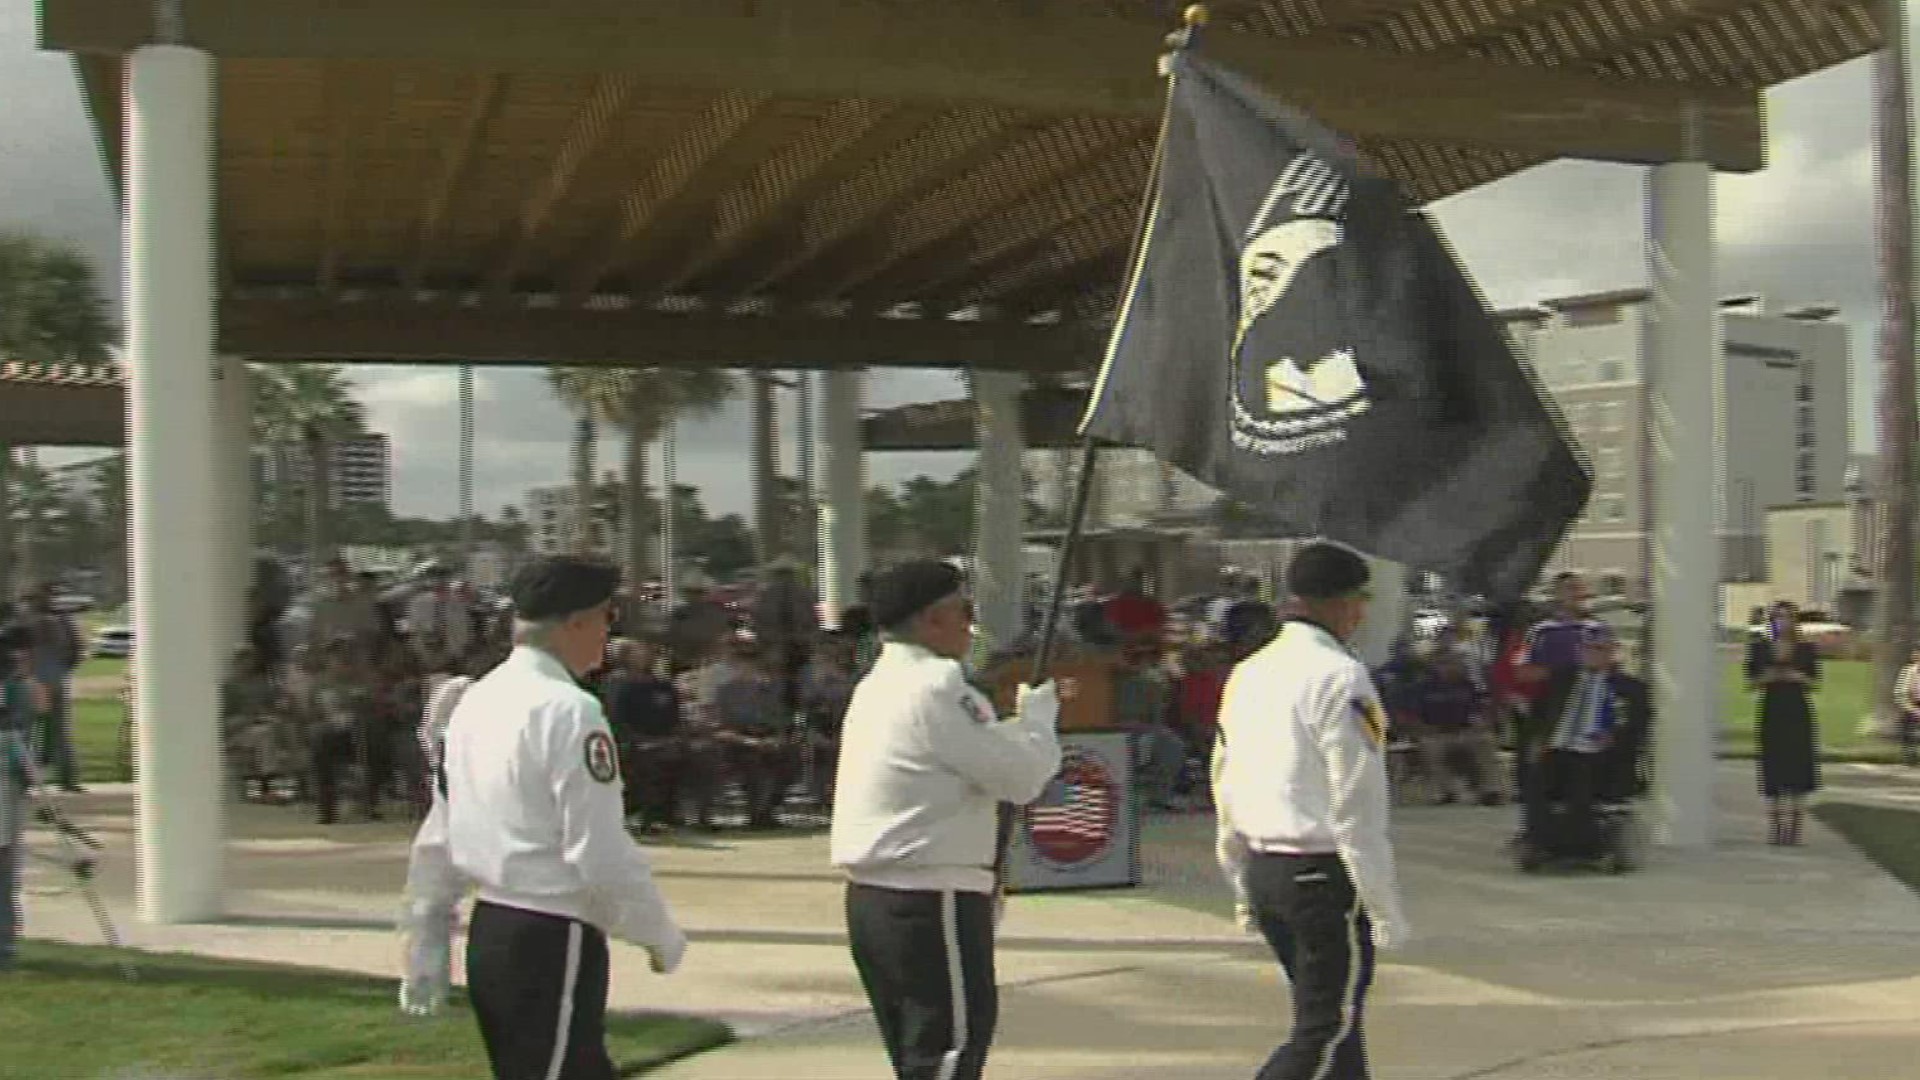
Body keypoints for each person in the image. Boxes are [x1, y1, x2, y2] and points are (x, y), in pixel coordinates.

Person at [399, 555, 686, 1078]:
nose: (607, 636)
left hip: (495, 929)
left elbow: (441, 828)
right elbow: (598, 850)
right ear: (576, 621)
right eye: (605, 620)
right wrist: (657, 931)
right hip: (551, 934)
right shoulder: (570, 711)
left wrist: (427, 932)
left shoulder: (471, 701)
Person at [831, 559, 1062, 1080]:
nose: (971, 625)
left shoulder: (878, 684)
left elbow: (964, 756)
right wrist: (1039, 724)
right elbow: (1021, 779)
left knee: (921, 1060)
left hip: (877, 899)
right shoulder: (938, 685)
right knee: (949, 1056)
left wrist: (1014, 728)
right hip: (930, 900)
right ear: (932, 620)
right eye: (964, 612)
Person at [1212, 541, 1408, 1080]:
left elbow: (1225, 779)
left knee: (1339, 1033)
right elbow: (1356, 801)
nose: (1361, 614)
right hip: (1319, 874)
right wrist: (1381, 902)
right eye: (1358, 601)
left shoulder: (1247, 673)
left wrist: (1237, 874)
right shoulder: (1340, 677)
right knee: (1325, 1033)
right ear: (1341, 603)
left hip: (1265, 867)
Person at [1521, 624, 1649, 865]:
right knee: (1538, 777)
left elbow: (1636, 727)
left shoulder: (1629, 688)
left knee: (1580, 775)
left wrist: (1613, 736)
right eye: (1588, 649)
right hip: (1558, 747)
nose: (1594, 655)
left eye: (1600, 649)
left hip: (1599, 752)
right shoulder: (1561, 680)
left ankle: (1583, 846)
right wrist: (1537, 741)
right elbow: (1538, 716)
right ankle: (1540, 840)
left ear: (1612, 652)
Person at [1746, 600, 1821, 846]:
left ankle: (1795, 829)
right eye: (1778, 617)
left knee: (1798, 765)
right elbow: (1751, 682)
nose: (1783, 622)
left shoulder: (1806, 649)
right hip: (1772, 709)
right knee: (1773, 763)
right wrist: (1767, 677)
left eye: (1788, 617)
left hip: (1797, 709)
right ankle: (1776, 827)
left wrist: (1796, 676)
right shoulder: (1759, 648)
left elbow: (1815, 683)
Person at [0, 619, 46, 972]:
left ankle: (6, 943)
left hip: (11, 781)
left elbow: (39, 709)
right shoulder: (18, 686)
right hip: (11, 779)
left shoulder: (20, 688)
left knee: (7, 866)